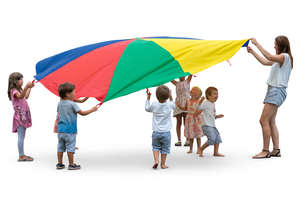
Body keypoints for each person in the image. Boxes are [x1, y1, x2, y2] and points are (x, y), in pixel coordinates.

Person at [247, 36, 293, 159]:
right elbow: (265, 62)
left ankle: (265, 150)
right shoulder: (280, 59)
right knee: (271, 121)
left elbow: (269, 57)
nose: (274, 46)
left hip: (276, 91)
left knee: (263, 120)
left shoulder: (284, 57)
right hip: (275, 91)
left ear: (281, 45)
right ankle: (276, 150)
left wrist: (257, 44)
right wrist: (252, 52)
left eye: (275, 44)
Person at [56, 82, 98, 170]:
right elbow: (82, 113)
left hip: (60, 130)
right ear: (68, 94)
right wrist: (92, 110)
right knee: (70, 147)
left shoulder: (60, 103)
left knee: (60, 146)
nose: (75, 93)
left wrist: (88, 95)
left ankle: (59, 164)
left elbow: (82, 101)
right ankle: (71, 164)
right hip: (70, 130)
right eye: (74, 92)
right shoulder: (72, 104)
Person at [145, 85, 175, 169]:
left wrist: (148, 98)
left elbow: (147, 108)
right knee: (165, 149)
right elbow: (174, 105)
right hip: (166, 133)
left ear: (157, 96)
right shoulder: (169, 105)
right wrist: (171, 97)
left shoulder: (154, 105)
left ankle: (156, 161)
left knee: (155, 147)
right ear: (168, 96)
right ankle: (163, 164)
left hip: (156, 132)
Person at [8, 72, 35, 161]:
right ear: (14, 81)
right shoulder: (14, 91)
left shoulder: (19, 90)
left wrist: (29, 88)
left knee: (22, 136)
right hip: (20, 118)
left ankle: (22, 154)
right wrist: (27, 87)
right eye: (20, 79)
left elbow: (25, 96)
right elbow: (20, 97)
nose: (22, 80)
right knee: (21, 136)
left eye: (22, 78)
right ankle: (21, 156)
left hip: (23, 116)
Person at [177, 86, 205, 154]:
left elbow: (201, 109)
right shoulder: (188, 100)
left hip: (196, 120)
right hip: (190, 119)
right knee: (191, 136)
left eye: (192, 91)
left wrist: (197, 113)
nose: (190, 91)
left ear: (196, 94)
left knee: (198, 136)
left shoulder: (199, 101)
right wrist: (179, 106)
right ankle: (191, 149)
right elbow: (185, 108)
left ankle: (199, 149)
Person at [198, 87, 224, 157]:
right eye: (215, 94)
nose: (217, 95)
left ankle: (216, 152)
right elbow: (198, 108)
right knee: (212, 139)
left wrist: (218, 116)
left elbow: (212, 116)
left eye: (217, 94)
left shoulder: (212, 104)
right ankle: (201, 149)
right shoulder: (206, 103)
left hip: (212, 125)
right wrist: (200, 101)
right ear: (208, 96)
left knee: (217, 139)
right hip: (206, 125)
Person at [171, 75, 192, 146]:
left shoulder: (187, 81)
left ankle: (188, 139)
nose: (181, 77)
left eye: (183, 75)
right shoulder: (176, 83)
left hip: (186, 103)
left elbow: (191, 72)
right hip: (178, 103)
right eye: (179, 75)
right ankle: (179, 140)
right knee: (178, 122)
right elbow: (170, 78)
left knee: (186, 123)